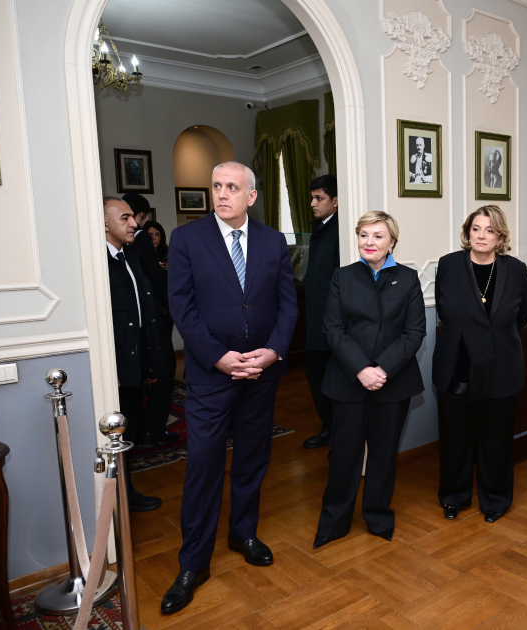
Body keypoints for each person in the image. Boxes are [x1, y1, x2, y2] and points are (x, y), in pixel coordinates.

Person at [161, 162, 298, 614]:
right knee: (203, 465)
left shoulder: (273, 242)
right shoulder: (187, 239)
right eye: (217, 186)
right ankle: (193, 563)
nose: (222, 194)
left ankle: (243, 534)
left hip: (260, 374)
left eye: (232, 187)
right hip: (211, 375)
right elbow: (181, 307)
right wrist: (218, 356)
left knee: (253, 459)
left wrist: (273, 351)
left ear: (251, 196)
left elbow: (287, 305)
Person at [313, 211, 425, 548]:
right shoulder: (342, 276)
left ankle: (378, 517)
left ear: (392, 241)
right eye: (363, 235)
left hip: (394, 383)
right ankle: (334, 522)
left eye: (378, 236)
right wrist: (361, 369)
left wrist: (383, 369)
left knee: (383, 454)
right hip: (348, 381)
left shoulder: (408, 278)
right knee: (344, 455)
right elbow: (333, 330)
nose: (369, 242)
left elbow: (414, 332)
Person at [432, 206, 527, 522]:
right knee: (455, 438)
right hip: (457, 365)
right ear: (467, 233)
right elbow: (444, 312)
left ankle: (496, 498)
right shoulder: (448, 265)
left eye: (489, 230)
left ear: (500, 236)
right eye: (475, 229)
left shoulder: (516, 269)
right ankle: (454, 496)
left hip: (501, 366)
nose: (481, 236)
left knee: (496, 439)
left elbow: (521, 317)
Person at [102, 197, 172, 512]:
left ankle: (126, 492)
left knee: (129, 429)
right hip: (115, 366)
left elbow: (142, 312)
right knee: (115, 433)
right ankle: (115, 497)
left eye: (133, 217)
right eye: (125, 217)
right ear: (104, 223)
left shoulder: (130, 255)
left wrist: (151, 361)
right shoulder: (97, 263)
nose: (134, 223)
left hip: (136, 360)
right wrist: (111, 368)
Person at [302, 175, 340, 449]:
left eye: (319, 198)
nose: (313, 203)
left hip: (333, 322)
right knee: (316, 374)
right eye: (312, 198)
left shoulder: (341, 231)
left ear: (335, 201)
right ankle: (329, 428)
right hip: (316, 318)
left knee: (330, 379)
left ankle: (337, 433)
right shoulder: (320, 228)